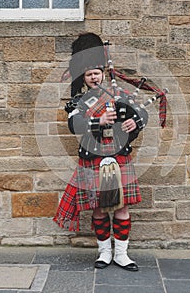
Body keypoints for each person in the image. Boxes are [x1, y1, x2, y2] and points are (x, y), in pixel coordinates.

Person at [53, 32, 148, 271]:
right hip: (93, 158)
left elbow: (142, 114)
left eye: (97, 72)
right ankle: (104, 252)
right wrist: (99, 121)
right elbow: (74, 125)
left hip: (119, 157)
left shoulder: (119, 96)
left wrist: (134, 124)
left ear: (103, 74)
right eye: (89, 74)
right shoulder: (80, 102)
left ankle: (122, 255)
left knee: (122, 206)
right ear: (84, 78)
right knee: (97, 207)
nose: (94, 76)